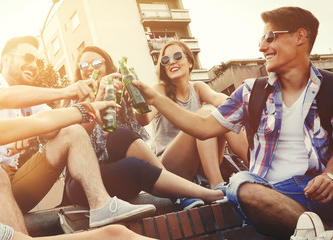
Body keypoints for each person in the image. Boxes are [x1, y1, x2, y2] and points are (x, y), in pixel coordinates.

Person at [0, 29, 158, 240]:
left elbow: (43, 121)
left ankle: (103, 207)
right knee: (0, 175)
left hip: (2, 232)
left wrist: (89, 108)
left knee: (115, 234)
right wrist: (2, 234)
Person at [133, 7, 333, 239]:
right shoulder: (250, 91)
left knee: (216, 117)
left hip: (322, 187)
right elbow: (203, 127)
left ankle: (312, 231)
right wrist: (154, 98)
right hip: (269, 191)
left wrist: (329, 174)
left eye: (270, 37)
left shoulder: (329, 87)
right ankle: (314, 230)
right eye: (165, 59)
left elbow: (218, 103)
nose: (261, 47)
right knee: (241, 183)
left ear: (300, 36)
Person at [0, 36, 156, 230]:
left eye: (37, 61)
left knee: (72, 131)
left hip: (13, 182)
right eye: (27, 57)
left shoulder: (34, 103)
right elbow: (4, 98)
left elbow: (68, 130)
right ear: (6, 59)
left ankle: (101, 205)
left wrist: (94, 107)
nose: (34, 65)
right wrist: (65, 92)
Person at [63, 46, 224, 209]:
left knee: (121, 137)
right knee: (118, 135)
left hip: (122, 172)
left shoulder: (119, 95)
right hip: (88, 177)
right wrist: (98, 96)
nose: (90, 68)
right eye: (83, 66)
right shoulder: (75, 99)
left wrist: (135, 99)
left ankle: (187, 191)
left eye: (96, 63)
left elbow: (136, 135)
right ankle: (181, 194)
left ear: (108, 68)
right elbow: (76, 137)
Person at [134, 40, 248, 193]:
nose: (172, 62)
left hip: (200, 166)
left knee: (223, 115)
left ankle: (257, 169)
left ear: (189, 61)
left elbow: (219, 99)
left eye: (177, 56)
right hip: (172, 168)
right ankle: (217, 184)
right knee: (204, 115)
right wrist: (138, 105)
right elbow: (144, 119)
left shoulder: (198, 87)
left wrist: (247, 104)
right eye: (165, 60)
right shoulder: (159, 91)